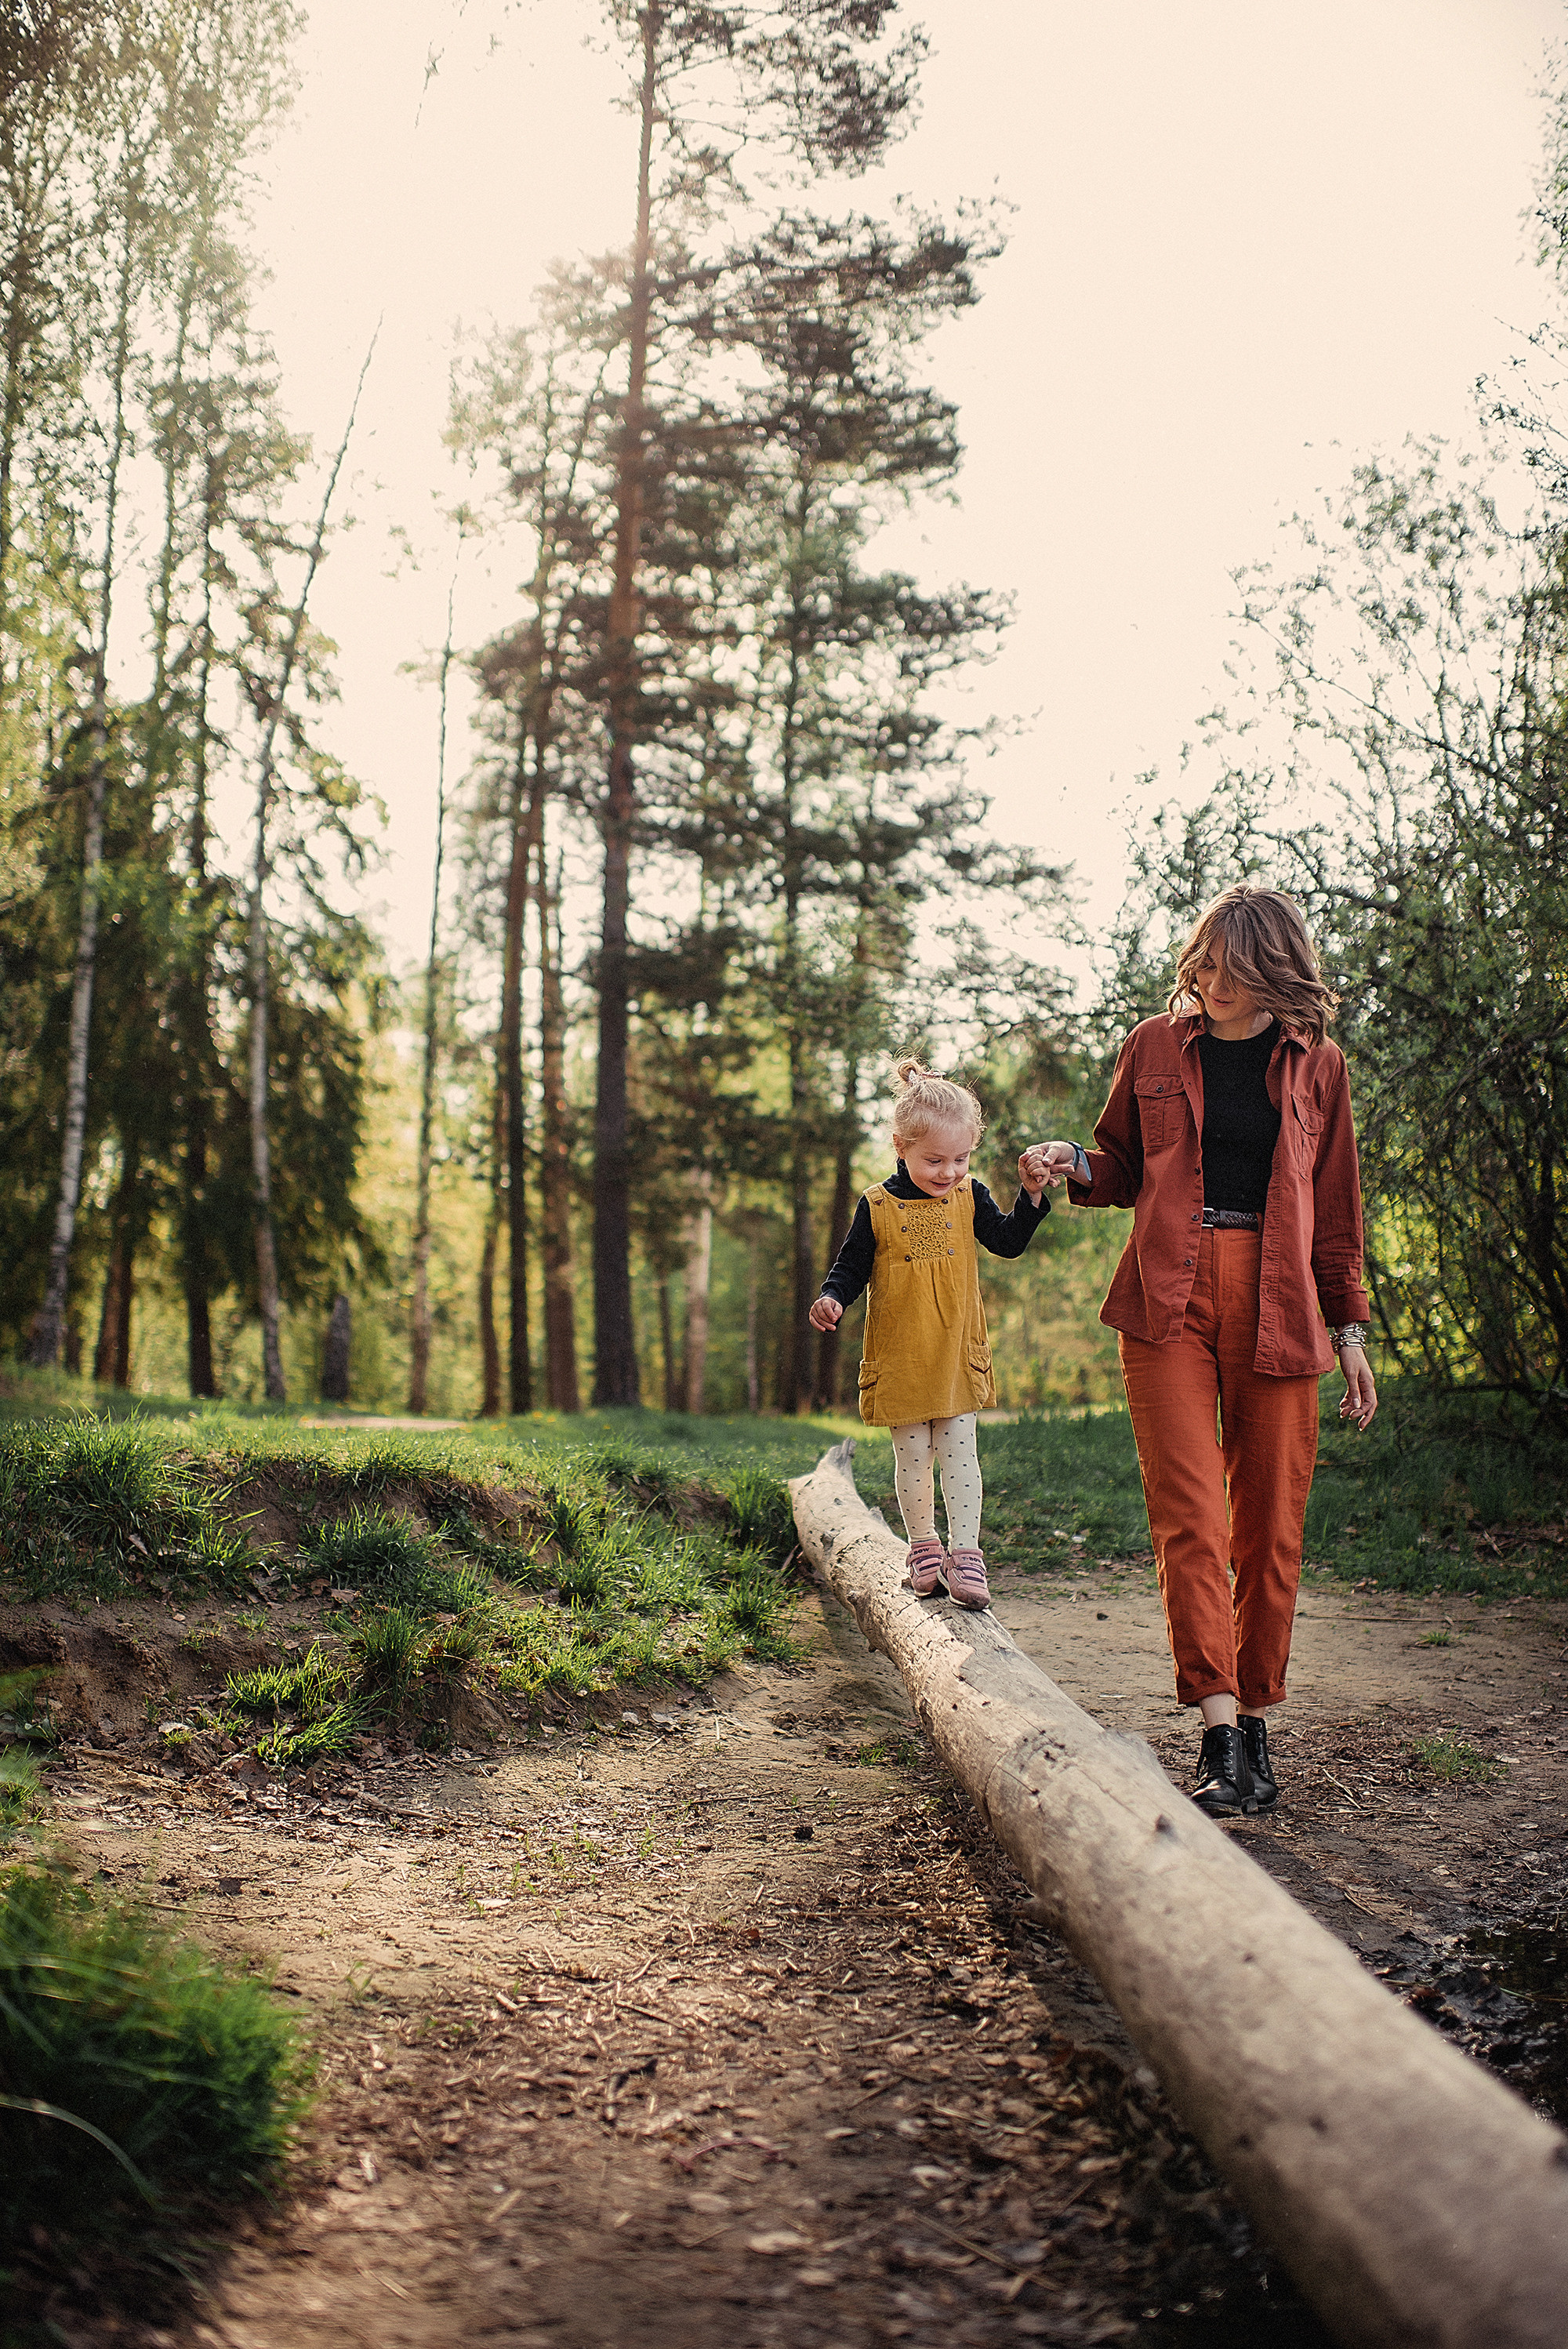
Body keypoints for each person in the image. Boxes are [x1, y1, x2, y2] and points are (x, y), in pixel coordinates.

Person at [1032, 885, 1377, 1818]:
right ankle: (1219, 1734)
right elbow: (1117, 1165)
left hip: (1279, 1299)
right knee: (1188, 1516)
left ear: (1272, 967)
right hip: (1166, 1295)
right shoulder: (1152, 1045)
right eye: (1202, 965)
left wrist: (1349, 1334)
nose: (1208, 983)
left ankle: (1257, 1716)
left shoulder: (1319, 1064)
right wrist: (1070, 1156)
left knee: (1267, 1525)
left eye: (1229, 969)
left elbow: (1336, 1209)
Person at [808, 1057, 1051, 1611]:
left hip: (955, 1353)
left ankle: (966, 1555)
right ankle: (924, 1548)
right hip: (902, 1356)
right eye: (934, 1160)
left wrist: (1031, 1198)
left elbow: (1008, 1242)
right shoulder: (877, 1205)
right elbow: (851, 1268)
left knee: (961, 1452)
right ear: (900, 1147)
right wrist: (831, 1298)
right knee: (914, 1456)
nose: (948, 1172)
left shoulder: (970, 1197)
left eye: (961, 1159)